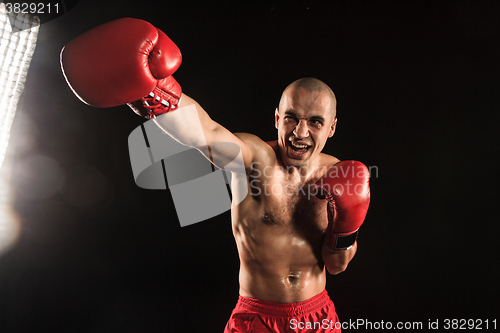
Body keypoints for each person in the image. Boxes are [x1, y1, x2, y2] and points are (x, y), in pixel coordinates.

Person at [61, 18, 370, 333]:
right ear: (277, 118)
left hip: (317, 317)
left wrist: (348, 223)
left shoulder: (339, 175)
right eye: (291, 118)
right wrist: (155, 91)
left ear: (331, 128)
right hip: (257, 319)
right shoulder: (253, 158)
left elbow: (336, 265)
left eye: (315, 122)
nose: (300, 133)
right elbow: (205, 134)